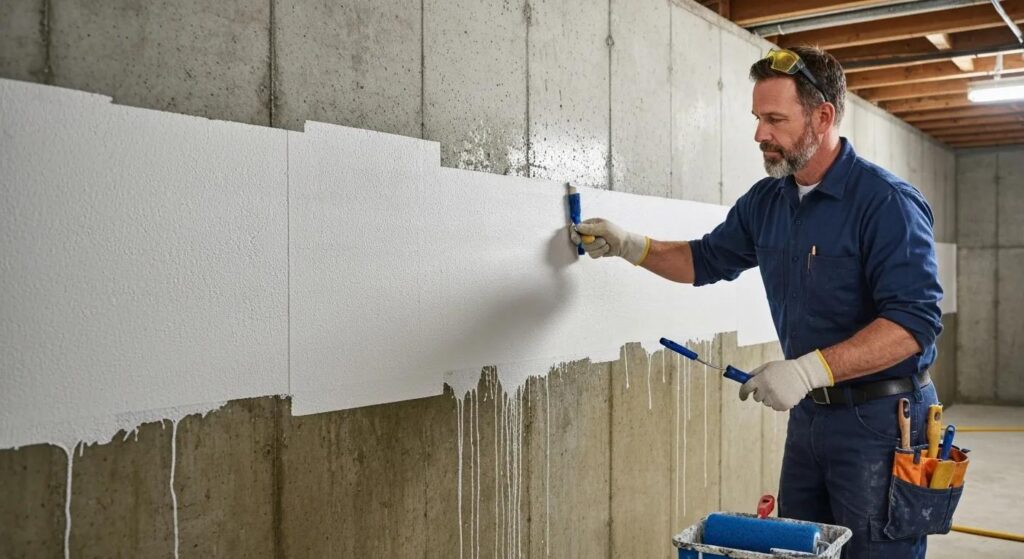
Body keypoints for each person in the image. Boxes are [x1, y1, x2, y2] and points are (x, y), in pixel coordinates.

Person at [570, 46, 943, 558]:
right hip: (812, 417)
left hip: (883, 423)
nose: (759, 134)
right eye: (757, 118)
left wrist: (808, 370)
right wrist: (632, 246)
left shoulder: (884, 203)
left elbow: (913, 323)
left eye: (775, 119)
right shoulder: (768, 202)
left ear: (823, 116)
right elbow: (702, 260)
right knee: (800, 548)